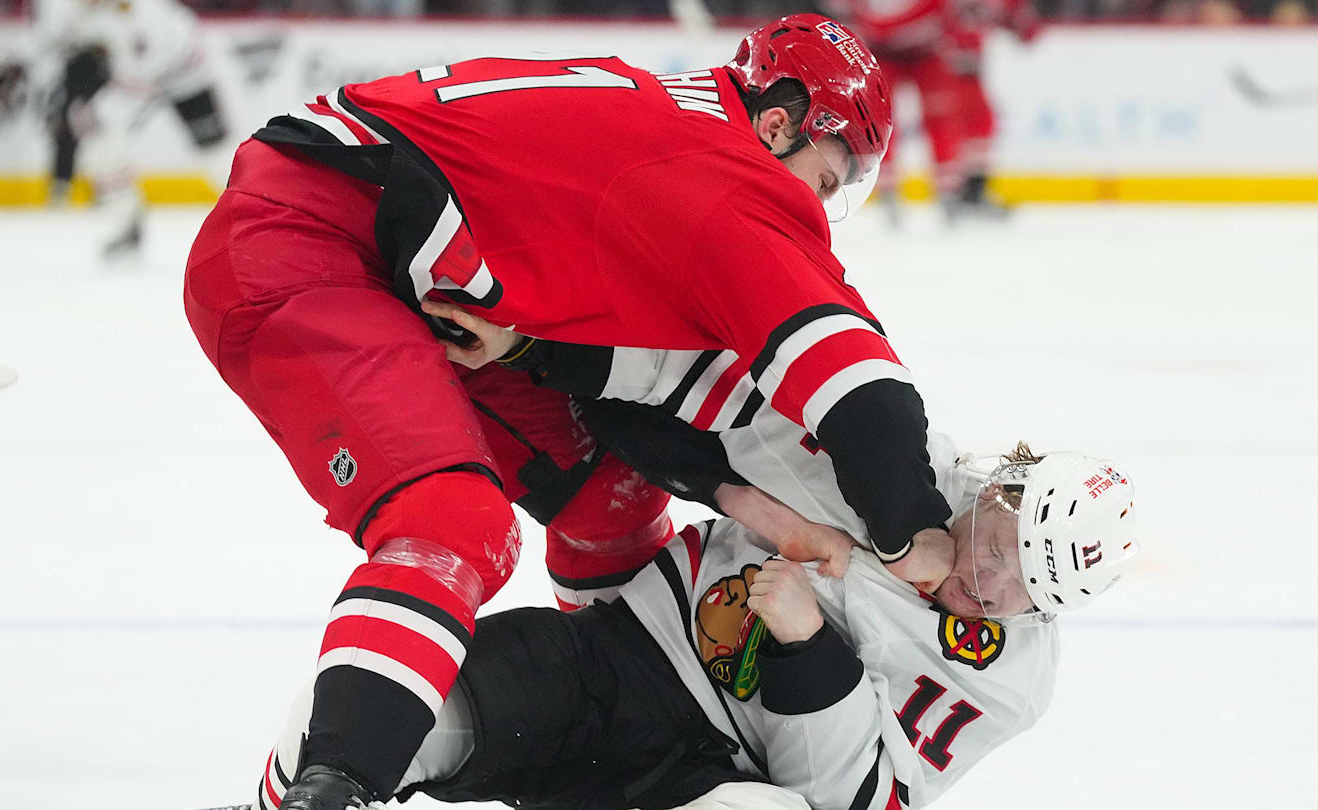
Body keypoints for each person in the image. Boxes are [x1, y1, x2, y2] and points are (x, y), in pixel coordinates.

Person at [185, 15, 967, 809]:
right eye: (827, 180)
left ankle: (618, 717)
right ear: (778, 125)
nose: (819, 209)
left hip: (408, 267)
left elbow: (633, 400)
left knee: (610, 496)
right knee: (454, 524)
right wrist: (915, 532)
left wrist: (747, 503)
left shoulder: (672, 124)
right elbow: (862, 395)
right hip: (307, 241)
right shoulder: (730, 176)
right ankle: (328, 791)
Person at [259, 441, 1140, 810]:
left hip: (708, 773)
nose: (987, 586)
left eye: (1027, 592)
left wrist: (810, 652)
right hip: (615, 659)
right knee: (371, 712)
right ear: (994, 492)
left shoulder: (1007, 681)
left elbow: (853, 799)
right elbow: (698, 419)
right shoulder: (891, 456)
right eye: (999, 547)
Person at [21, 0, 229, 258]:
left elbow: (148, 61)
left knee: (215, 152)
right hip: (128, 69)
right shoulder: (61, 7)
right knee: (99, 138)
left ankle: (256, 208)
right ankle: (126, 221)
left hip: (182, 71)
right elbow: (50, 43)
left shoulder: (146, 12)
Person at [829, 0, 1038, 224]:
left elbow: (1015, 19)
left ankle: (954, 191)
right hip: (889, 48)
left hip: (927, 49)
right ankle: (893, 192)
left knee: (948, 118)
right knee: (880, 120)